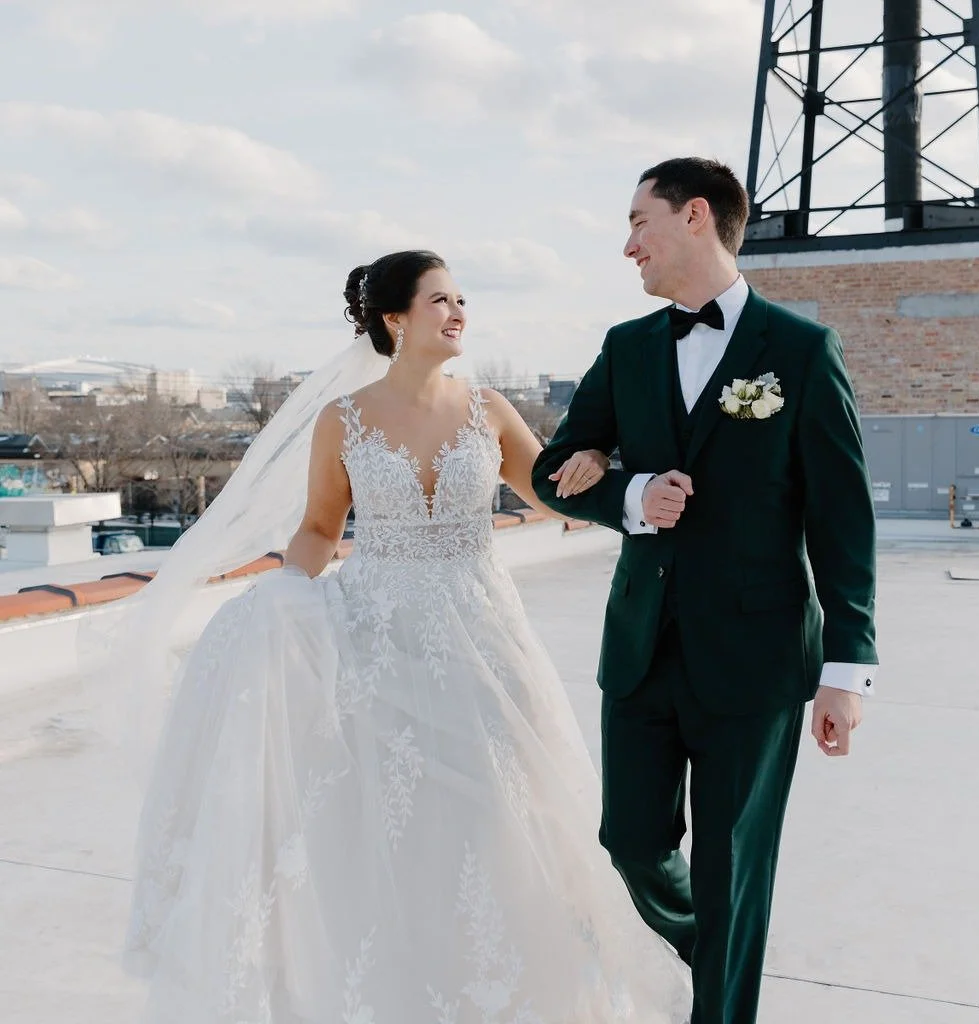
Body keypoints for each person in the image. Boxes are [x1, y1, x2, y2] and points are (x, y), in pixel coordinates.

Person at [123, 250, 691, 1023]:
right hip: (377, 643)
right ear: (396, 320)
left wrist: (616, 479)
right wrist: (283, 603)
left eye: (462, 299)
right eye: (440, 300)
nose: (459, 312)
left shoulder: (488, 409)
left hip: (485, 637)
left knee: (503, 816)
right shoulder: (344, 419)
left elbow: (555, 493)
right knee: (398, 830)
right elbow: (321, 529)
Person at [532, 159, 879, 1024]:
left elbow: (844, 520)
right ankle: (720, 942)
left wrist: (849, 667)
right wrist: (628, 499)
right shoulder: (628, 348)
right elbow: (550, 470)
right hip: (642, 651)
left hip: (757, 663)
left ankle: (724, 985)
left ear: (694, 218)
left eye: (638, 222)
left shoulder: (801, 351)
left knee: (733, 864)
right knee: (632, 844)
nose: (627, 245)